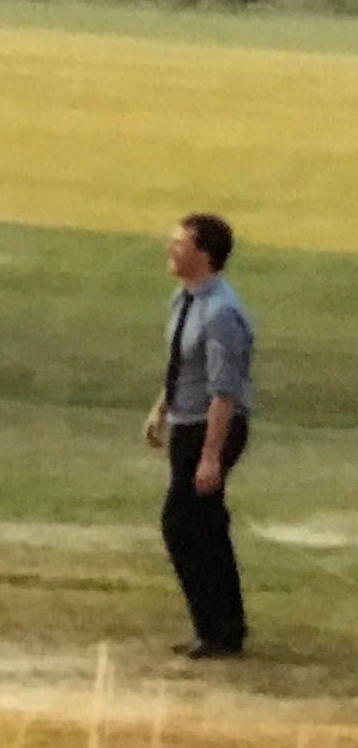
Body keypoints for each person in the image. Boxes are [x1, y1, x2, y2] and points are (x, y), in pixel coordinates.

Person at [148, 212, 253, 660]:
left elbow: (223, 391)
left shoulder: (221, 313)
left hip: (212, 428)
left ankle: (215, 628)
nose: (170, 250)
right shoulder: (184, 299)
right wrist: (161, 408)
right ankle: (223, 627)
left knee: (182, 524)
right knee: (205, 524)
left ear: (203, 254)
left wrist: (211, 456)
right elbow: (181, 365)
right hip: (186, 422)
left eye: (179, 244)